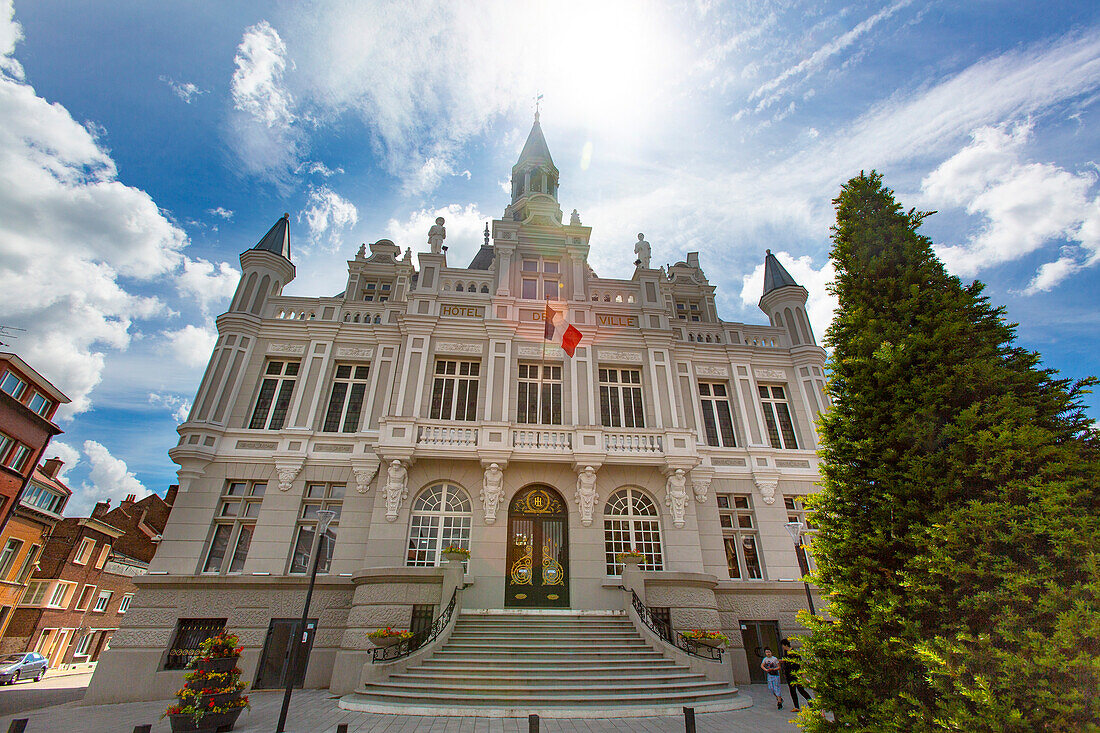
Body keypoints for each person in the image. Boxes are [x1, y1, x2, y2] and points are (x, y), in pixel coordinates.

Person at [781, 637, 812, 713]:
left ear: (785, 645)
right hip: (789, 675)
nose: (782, 647)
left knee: (801, 689)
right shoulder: (785, 653)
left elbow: (800, 663)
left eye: (782, 645)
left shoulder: (794, 652)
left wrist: (803, 674)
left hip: (796, 674)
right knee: (792, 691)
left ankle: (811, 702)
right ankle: (796, 707)